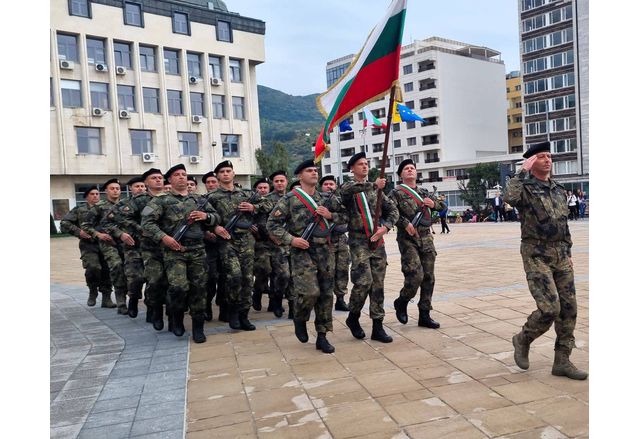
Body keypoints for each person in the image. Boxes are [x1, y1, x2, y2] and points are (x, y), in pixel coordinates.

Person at [506, 141, 588, 380]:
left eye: (549, 156)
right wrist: (522, 170)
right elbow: (509, 197)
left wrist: (569, 252)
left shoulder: (558, 189)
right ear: (532, 162)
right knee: (550, 308)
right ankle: (523, 339)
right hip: (536, 254)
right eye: (541, 157)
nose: (547, 160)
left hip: (561, 254)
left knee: (569, 309)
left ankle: (562, 361)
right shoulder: (524, 187)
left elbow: (564, 224)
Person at [267, 159, 346, 353]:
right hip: (303, 252)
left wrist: (330, 216)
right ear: (300, 176)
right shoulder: (289, 199)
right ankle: (300, 318)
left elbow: (346, 216)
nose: (314, 173)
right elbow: (272, 225)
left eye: (315, 170)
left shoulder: (326, 198)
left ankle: (322, 335)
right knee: (310, 292)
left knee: (326, 294)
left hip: (326, 251)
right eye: (309, 171)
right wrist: (291, 240)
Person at [142, 164, 219, 343]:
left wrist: (206, 217)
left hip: (198, 250)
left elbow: (217, 217)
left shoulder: (199, 199)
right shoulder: (160, 200)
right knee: (178, 287)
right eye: (177, 175)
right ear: (170, 180)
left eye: (184, 174)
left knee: (199, 288)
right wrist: (164, 238)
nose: (181, 177)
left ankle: (198, 327)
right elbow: (147, 223)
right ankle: (176, 319)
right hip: (174, 250)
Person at [340, 152, 399, 343]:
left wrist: (386, 227)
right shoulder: (349, 187)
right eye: (360, 164)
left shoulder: (377, 191)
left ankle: (378, 326)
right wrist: (374, 184)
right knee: (363, 281)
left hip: (377, 242)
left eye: (366, 164)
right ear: (352, 168)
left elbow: (393, 211)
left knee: (378, 285)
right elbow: (349, 191)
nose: (364, 167)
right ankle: (353, 315)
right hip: (358, 241)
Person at [207, 160, 272, 331]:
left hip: (246, 240)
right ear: (217, 176)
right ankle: (233, 312)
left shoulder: (246, 194)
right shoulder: (212, 197)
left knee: (247, 279)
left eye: (228, 171)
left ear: (234, 174)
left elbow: (268, 204)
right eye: (222, 172)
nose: (226, 174)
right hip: (227, 241)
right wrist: (215, 227)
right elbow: (205, 218)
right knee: (234, 277)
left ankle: (244, 315)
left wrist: (253, 207)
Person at [389, 159, 444, 329]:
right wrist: (405, 223)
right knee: (415, 275)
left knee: (429, 277)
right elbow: (391, 212)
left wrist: (433, 204)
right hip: (408, 239)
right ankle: (402, 300)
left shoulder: (425, 192)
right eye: (406, 169)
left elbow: (441, 206)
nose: (410, 170)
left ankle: (424, 314)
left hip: (426, 238)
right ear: (401, 175)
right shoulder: (396, 193)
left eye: (412, 168)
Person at [124, 168, 170, 327]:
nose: (158, 180)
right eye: (153, 178)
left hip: (170, 246)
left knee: (169, 282)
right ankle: (152, 310)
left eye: (160, 177)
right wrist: (140, 229)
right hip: (148, 247)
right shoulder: (140, 200)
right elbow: (124, 218)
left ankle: (170, 315)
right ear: (146, 182)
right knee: (154, 280)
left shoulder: (171, 198)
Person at [60, 186, 115, 308]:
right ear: (86, 197)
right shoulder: (80, 210)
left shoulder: (106, 208)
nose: (95, 196)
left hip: (106, 244)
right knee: (93, 267)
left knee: (107, 270)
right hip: (89, 244)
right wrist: (78, 231)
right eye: (92, 194)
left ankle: (106, 298)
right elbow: (64, 223)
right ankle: (92, 290)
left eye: (97, 194)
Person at [101, 176, 147, 318]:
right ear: (130, 189)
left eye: (142, 186)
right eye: (136, 186)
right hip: (132, 247)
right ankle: (132, 299)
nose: (140, 188)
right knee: (135, 278)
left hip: (152, 247)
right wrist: (120, 234)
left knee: (154, 279)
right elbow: (106, 222)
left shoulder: (154, 202)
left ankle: (152, 308)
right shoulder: (123, 204)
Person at [81, 178, 129, 315]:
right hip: (108, 243)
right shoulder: (99, 207)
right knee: (117, 266)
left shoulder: (126, 205)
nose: (115, 191)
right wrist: (98, 234)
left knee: (128, 269)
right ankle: (121, 302)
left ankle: (128, 296)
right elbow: (86, 225)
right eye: (112, 188)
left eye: (118, 188)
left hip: (125, 243)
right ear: (106, 191)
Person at [260, 170, 292, 318]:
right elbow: (261, 222)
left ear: (286, 181)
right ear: (273, 183)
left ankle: (291, 304)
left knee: (290, 275)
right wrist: (272, 236)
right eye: (277, 181)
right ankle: (277, 300)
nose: (280, 183)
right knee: (281, 274)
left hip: (291, 242)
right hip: (274, 244)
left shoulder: (292, 197)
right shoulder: (266, 199)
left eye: (282, 180)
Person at [320, 175, 351, 312]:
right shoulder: (318, 201)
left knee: (342, 270)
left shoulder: (341, 202)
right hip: (326, 242)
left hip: (341, 240)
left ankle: (340, 299)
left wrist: (332, 217)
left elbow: (347, 217)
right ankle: (324, 300)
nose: (329, 186)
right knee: (328, 272)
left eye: (331, 184)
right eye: (325, 184)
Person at [201, 171, 225, 322]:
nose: (211, 184)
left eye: (213, 181)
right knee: (210, 278)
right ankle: (207, 306)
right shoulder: (201, 201)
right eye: (208, 182)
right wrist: (206, 232)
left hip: (225, 243)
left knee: (225, 278)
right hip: (208, 246)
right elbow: (196, 222)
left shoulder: (226, 197)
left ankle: (224, 308)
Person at [251, 177, 273, 312]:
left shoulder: (275, 201)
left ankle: (274, 301)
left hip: (275, 242)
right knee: (263, 270)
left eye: (265, 188)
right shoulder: (251, 202)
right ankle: (257, 293)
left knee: (278, 274)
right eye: (260, 188)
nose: (263, 190)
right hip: (259, 242)